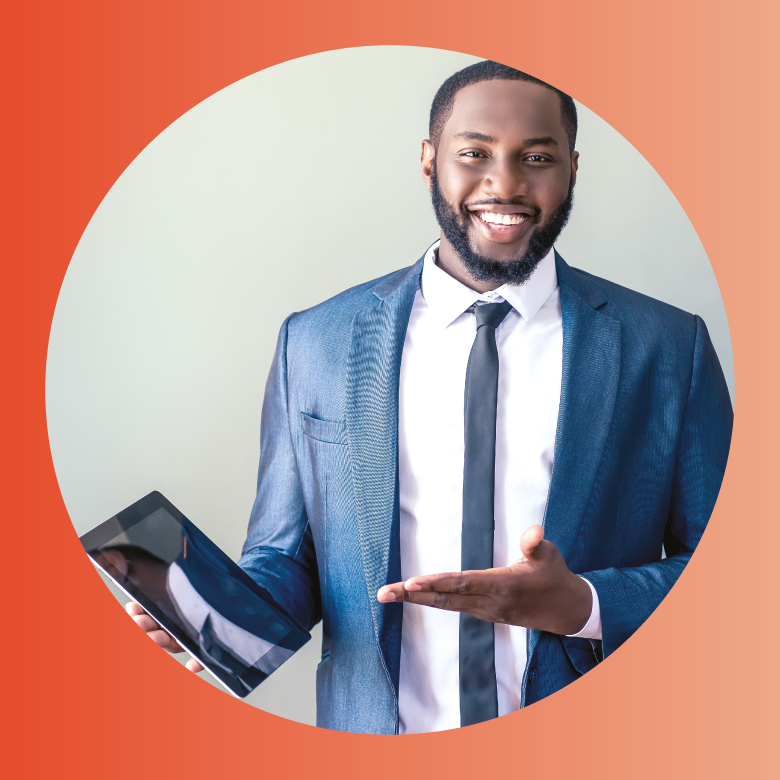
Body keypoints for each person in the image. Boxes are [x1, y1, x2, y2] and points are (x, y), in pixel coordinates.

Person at [129, 60, 733, 734]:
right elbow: (289, 558)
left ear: (572, 168)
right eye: (473, 153)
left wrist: (584, 603)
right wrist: (213, 618)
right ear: (428, 160)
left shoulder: (668, 347)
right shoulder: (317, 341)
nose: (504, 184)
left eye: (536, 156)